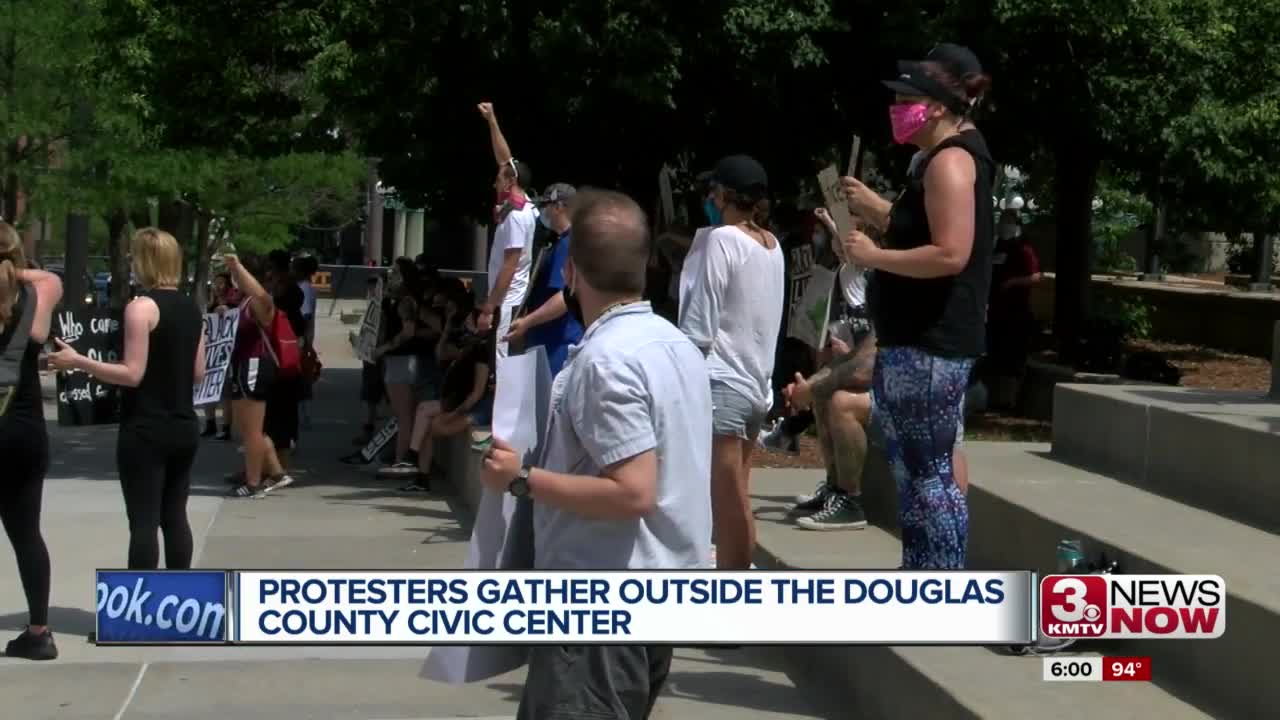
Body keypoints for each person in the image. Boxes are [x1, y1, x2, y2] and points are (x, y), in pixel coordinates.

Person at [480, 190, 711, 718]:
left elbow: (632, 491)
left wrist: (521, 478)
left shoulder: (606, 362)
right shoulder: (675, 346)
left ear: (573, 274)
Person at [839, 43, 995, 569]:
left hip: (932, 343)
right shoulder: (939, 159)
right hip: (917, 339)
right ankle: (922, 573)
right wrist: (880, 211)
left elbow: (951, 253)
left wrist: (874, 255)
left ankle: (941, 584)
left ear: (933, 104)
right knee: (916, 468)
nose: (896, 109)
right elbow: (925, 228)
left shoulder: (950, 161)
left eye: (905, 97)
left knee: (930, 474)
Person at [48, 228, 206, 571]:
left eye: (134, 257)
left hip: (146, 427)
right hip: (183, 424)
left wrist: (78, 361)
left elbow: (132, 373)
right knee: (175, 518)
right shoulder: (193, 308)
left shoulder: (141, 309)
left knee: (144, 523)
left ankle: (141, 614)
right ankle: (181, 605)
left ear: (146, 261)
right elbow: (198, 373)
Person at [679, 155, 786, 570]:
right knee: (737, 493)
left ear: (725, 195)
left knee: (727, 501)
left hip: (722, 383)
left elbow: (699, 325)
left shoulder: (721, 240)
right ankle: (741, 576)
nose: (709, 198)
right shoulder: (772, 247)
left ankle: (733, 594)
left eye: (713, 191)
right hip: (756, 386)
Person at [779, 207, 874, 530]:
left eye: (842, 233)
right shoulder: (843, 276)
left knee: (839, 401)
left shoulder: (880, 280)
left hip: (892, 384)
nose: (834, 240)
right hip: (863, 372)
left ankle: (852, 500)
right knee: (822, 395)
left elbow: (866, 366)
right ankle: (834, 487)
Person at [0, 222, 63, 660]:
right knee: (27, 534)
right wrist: (14, 269)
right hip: (25, 431)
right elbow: (49, 278)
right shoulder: (32, 299)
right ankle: (39, 631)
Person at [400, 295, 494, 493]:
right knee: (428, 423)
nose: (466, 322)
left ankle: (414, 460)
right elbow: (440, 354)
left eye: (470, 319)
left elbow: (477, 394)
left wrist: (453, 414)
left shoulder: (482, 350)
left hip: (475, 407)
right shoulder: (469, 345)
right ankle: (420, 473)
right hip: (456, 400)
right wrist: (449, 324)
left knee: (430, 422)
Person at [224, 254, 295, 498]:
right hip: (243, 365)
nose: (233, 281)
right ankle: (276, 472)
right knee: (248, 427)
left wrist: (237, 267)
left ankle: (253, 482)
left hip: (254, 365)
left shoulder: (260, 301)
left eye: (237, 277)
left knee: (252, 430)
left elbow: (264, 299)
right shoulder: (244, 303)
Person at [475, 102, 537, 360]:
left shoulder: (516, 216)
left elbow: (510, 265)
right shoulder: (524, 207)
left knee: (503, 369)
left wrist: (489, 307)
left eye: (499, 177)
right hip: (508, 302)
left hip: (507, 303)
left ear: (511, 181)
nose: (494, 181)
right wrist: (492, 120)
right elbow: (504, 158)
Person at [504, 183, 584, 376]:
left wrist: (527, 322)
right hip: (551, 344)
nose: (543, 212)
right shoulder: (566, 242)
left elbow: (564, 297)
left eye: (546, 205)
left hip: (556, 347)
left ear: (559, 207)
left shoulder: (568, 244)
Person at [986, 209, 1040, 408]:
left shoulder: (1023, 249)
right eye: (1002, 220)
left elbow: (1035, 277)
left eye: (1009, 221)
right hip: (995, 312)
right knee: (995, 355)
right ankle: (992, 400)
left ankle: (1010, 402)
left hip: (1016, 313)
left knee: (1013, 358)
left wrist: (1012, 283)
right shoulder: (996, 246)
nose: (1004, 225)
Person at [203, 272, 241, 439]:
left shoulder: (233, 304)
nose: (217, 286)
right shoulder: (210, 304)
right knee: (207, 388)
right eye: (215, 283)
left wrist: (227, 310)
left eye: (221, 283)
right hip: (211, 352)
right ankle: (210, 423)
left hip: (226, 353)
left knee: (225, 393)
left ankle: (226, 428)